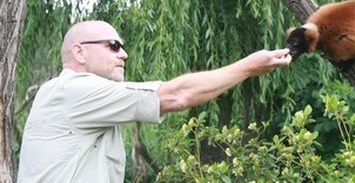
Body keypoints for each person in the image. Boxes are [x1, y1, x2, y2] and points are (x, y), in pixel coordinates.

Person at [17, 20, 292, 182]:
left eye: (123, 47)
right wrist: (250, 66)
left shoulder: (93, 104)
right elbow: (175, 95)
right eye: (113, 46)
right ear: (79, 52)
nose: (123, 54)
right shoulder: (72, 91)